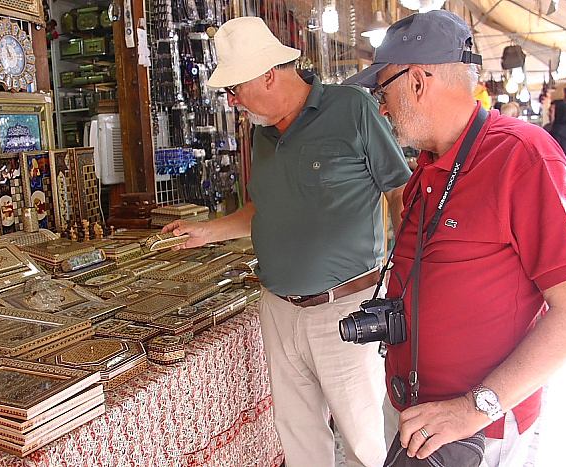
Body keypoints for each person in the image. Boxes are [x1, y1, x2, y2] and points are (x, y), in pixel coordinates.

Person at [346, 10, 566, 467]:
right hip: (416, 417)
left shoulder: (523, 156)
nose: (381, 107)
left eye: (383, 90)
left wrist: (472, 408)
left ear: (418, 81)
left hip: (478, 431)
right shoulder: (427, 166)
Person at [162, 16, 411, 467]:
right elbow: (263, 208)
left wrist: (406, 273)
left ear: (269, 74)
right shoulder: (261, 133)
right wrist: (208, 231)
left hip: (345, 307)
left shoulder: (351, 108)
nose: (232, 101)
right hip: (278, 308)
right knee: (298, 440)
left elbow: (398, 190)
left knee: (362, 442)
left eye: (235, 89)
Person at [548, 99, 566, 182]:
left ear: (559, 113)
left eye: (551, 111)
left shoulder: (558, 131)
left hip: (560, 171)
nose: (548, 114)